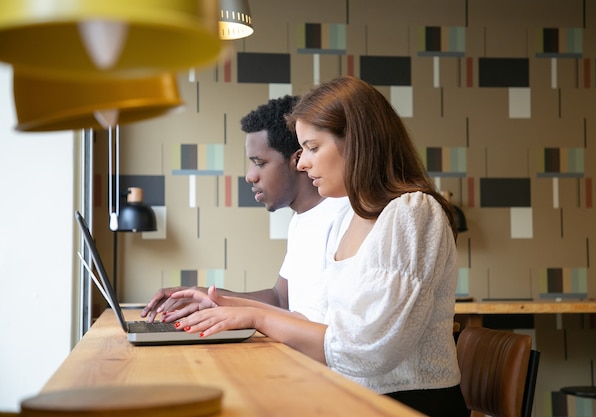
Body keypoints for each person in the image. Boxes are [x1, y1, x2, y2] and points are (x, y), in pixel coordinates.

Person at [167, 76, 468, 417]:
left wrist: (253, 315)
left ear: (356, 142)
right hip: (352, 395)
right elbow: (321, 324)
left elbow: (368, 349)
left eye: (312, 147)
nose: (302, 163)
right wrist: (224, 303)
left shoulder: (412, 211)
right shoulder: (350, 218)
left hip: (407, 404)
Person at [141, 95, 349, 323]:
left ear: (297, 159)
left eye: (259, 163)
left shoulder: (344, 216)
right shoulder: (301, 219)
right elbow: (281, 299)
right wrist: (207, 296)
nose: (250, 176)